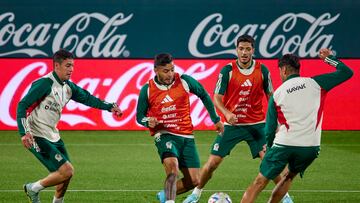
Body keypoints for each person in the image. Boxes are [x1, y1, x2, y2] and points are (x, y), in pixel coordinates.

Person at [183, 34, 293, 203]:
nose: (244, 52)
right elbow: (216, 98)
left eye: (248, 49)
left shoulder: (262, 70)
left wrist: (276, 121)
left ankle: (285, 197)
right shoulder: (227, 70)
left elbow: (272, 97)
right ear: (236, 50)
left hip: (257, 125)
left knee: (270, 163)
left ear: (253, 51)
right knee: (212, 163)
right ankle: (196, 193)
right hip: (232, 126)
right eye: (241, 49)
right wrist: (227, 113)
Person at [240, 48, 354, 203]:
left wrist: (268, 147)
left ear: (284, 69)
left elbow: (269, 130)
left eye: (280, 71)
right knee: (288, 176)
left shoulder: (278, 94)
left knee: (259, 182)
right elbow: (347, 72)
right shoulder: (316, 83)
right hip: (311, 148)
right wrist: (328, 58)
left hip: (284, 145)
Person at [17, 49, 123, 203]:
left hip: (53, 135)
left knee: (65, 176)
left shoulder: (68, 87)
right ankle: (32, 188)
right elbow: (23, 105)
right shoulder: (45, 83)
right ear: (56, 66)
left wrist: (109, 106)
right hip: (37, 135)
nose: (71, 69)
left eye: (72, 66)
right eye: (67, 66)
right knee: (67, 171)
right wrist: (24, 133)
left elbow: (88, 98)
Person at [136, 53, 224, 203]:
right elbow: (139, 116)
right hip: (164, 134)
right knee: (173, 169)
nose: (170, 74)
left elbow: (203, 94)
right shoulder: (148, 89)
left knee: (195, 180)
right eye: (166, 71)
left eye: (172, 69)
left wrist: (216, 119)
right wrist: (147, 121)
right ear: (156, 70)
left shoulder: (184, 81)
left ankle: (165, 195)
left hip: (186, 136)